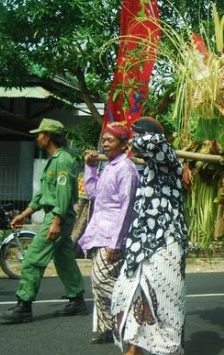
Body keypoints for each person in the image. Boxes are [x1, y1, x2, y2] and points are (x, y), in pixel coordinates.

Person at [0, 118, 86, 324]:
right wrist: (24, 214)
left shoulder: (63, 160)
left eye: (40, 135)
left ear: (48, 136)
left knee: (32, 259)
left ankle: (24, 306)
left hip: (58, 216)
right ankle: (77, 300)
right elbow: (42, 195)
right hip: (55, 215)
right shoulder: (53, 159)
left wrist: (55, 222)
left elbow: (62, 197)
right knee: (63, 259)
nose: (37, 138)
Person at [111, 117, 188, 355]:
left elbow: (155, 143)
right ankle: (135, 347)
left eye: (135, 135)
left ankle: (166, 349)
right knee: (129, 293)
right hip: (140, 243)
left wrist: (128, 140)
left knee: (164, 299)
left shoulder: (167, 159)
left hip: (166, 240)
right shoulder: (147, 166)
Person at [78, 122, 139, 344]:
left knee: (101, 280)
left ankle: (134, 313)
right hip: (97, 233)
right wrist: (91, 167)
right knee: (97, 284)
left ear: (124, 145)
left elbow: (127, 207)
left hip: (112, 237)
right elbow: (92, 193)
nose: (104, 144)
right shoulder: (109, 166)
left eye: (109, 140)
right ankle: (108, 329)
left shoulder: (126, 168)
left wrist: (117, 242)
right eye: (103, 140)